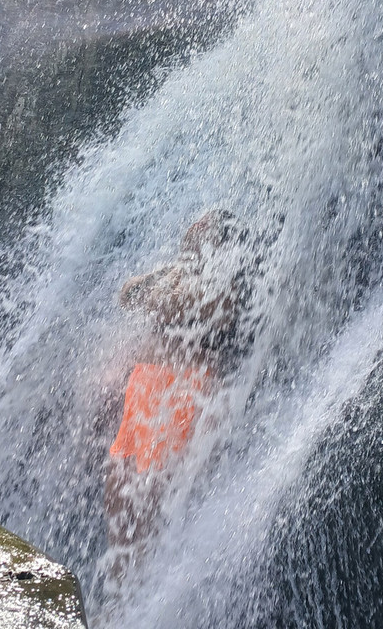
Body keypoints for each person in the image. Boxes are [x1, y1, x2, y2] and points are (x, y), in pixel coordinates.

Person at [103, 209, 250, 584]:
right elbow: (128, 294)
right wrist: (164, 282)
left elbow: (186, 308)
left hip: (184, 392)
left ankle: (142, 593)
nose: (191, 224)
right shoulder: (177, 272)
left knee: (151, 495)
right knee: (118, 487)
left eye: (201, 223)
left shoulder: (225, 284)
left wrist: (162, 292)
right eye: (194, 220)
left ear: (215, 240)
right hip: (148, 389)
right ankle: (120, 586)